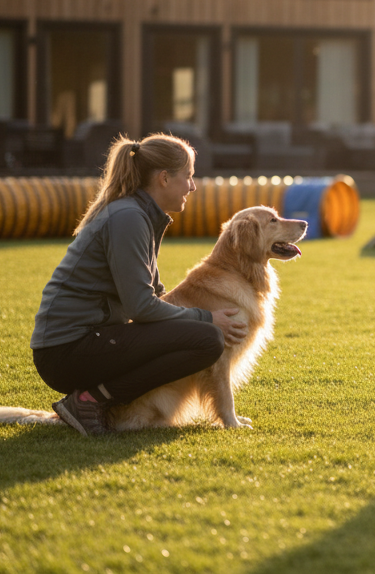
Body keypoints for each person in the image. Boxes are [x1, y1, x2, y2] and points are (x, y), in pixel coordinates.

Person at [30, 134, 248, 435]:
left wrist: (197, 316)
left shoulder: (140, 214)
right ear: (164, 178)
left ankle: (96, 400)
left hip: (86, 340)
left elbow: (157, 295)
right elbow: (140, 306)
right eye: (189, 177)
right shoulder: (129, 217)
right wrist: (207, 317)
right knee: (207, 339)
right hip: (65, 351)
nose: (193, 187)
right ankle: (89, 400)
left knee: (201, 336)